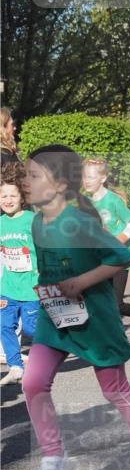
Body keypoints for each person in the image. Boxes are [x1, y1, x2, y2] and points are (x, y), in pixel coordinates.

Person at [21, 145, 130, 470]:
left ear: (57, 185)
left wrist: (82, 282)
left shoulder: (79, 222)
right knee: (32, 383)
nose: (24, 181)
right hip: (54, 318)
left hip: (95, 319)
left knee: (114, 389)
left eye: (32, 175)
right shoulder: (37, 223)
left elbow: (119, 258)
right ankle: (54, 457)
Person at [82, 158, 130, 343]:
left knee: (115, 304)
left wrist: (117, 241)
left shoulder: (112, 200)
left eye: (91, 177)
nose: (86, 180)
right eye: (84, 177)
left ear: (103, 178)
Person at [1, 161, 38, 386]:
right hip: (8, 288)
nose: (7, 200)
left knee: (33, 329)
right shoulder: (1, 223)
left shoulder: (32, 221)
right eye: (3, 196)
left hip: (32, 286)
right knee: (5, 326)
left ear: (21, 196)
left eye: (12, 196)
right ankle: (16, 366)